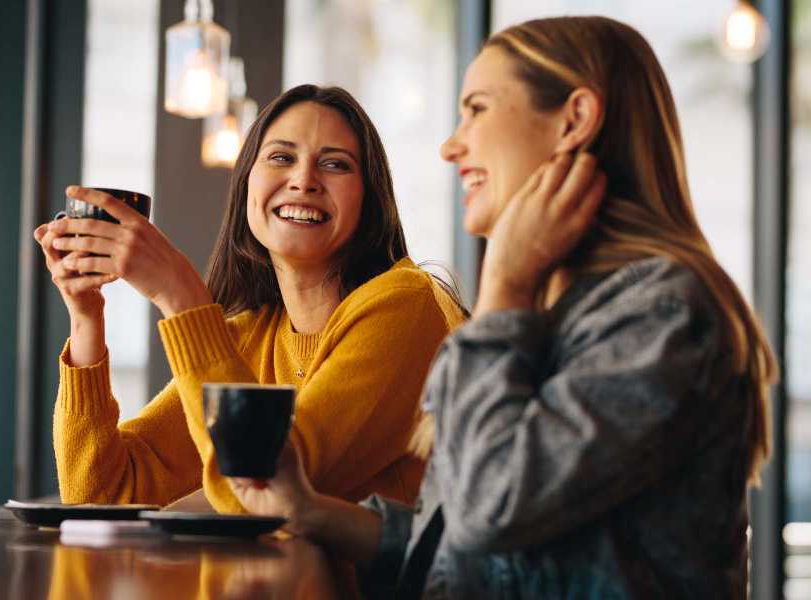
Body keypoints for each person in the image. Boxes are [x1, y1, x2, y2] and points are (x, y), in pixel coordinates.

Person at [225, 16, 777, 598]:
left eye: (478, 109)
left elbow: (494, 508)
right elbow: (467, 552)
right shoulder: (563, 309)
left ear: (574, 120)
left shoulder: (662, 313)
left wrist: (504, 285)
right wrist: (310, 511)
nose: (451, 144)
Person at [33, 84, 466, 514]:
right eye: (281, 157)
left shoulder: (404, 306)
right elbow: (101, 496)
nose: (304, 180)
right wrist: (86, 316)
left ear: (370, 200)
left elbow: (266, 490)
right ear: (245, 187)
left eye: (335, 164)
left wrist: (179, 294)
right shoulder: (249, 338)